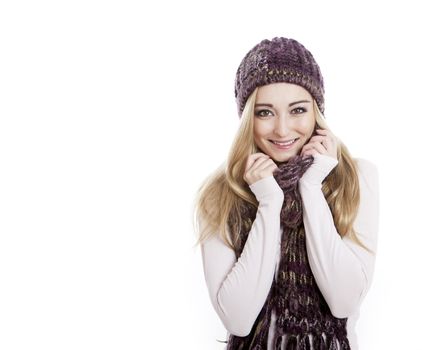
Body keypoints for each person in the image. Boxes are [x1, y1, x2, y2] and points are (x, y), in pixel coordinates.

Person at [192, 36, 379, 350]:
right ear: (247, 119)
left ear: (316, 112)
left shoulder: (355, 176)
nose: (282, 129)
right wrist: (268, 200)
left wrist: (311, 188)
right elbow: (238, 319)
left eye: (297, 110)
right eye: (265, 112)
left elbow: (343, 301)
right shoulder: (219, 194)